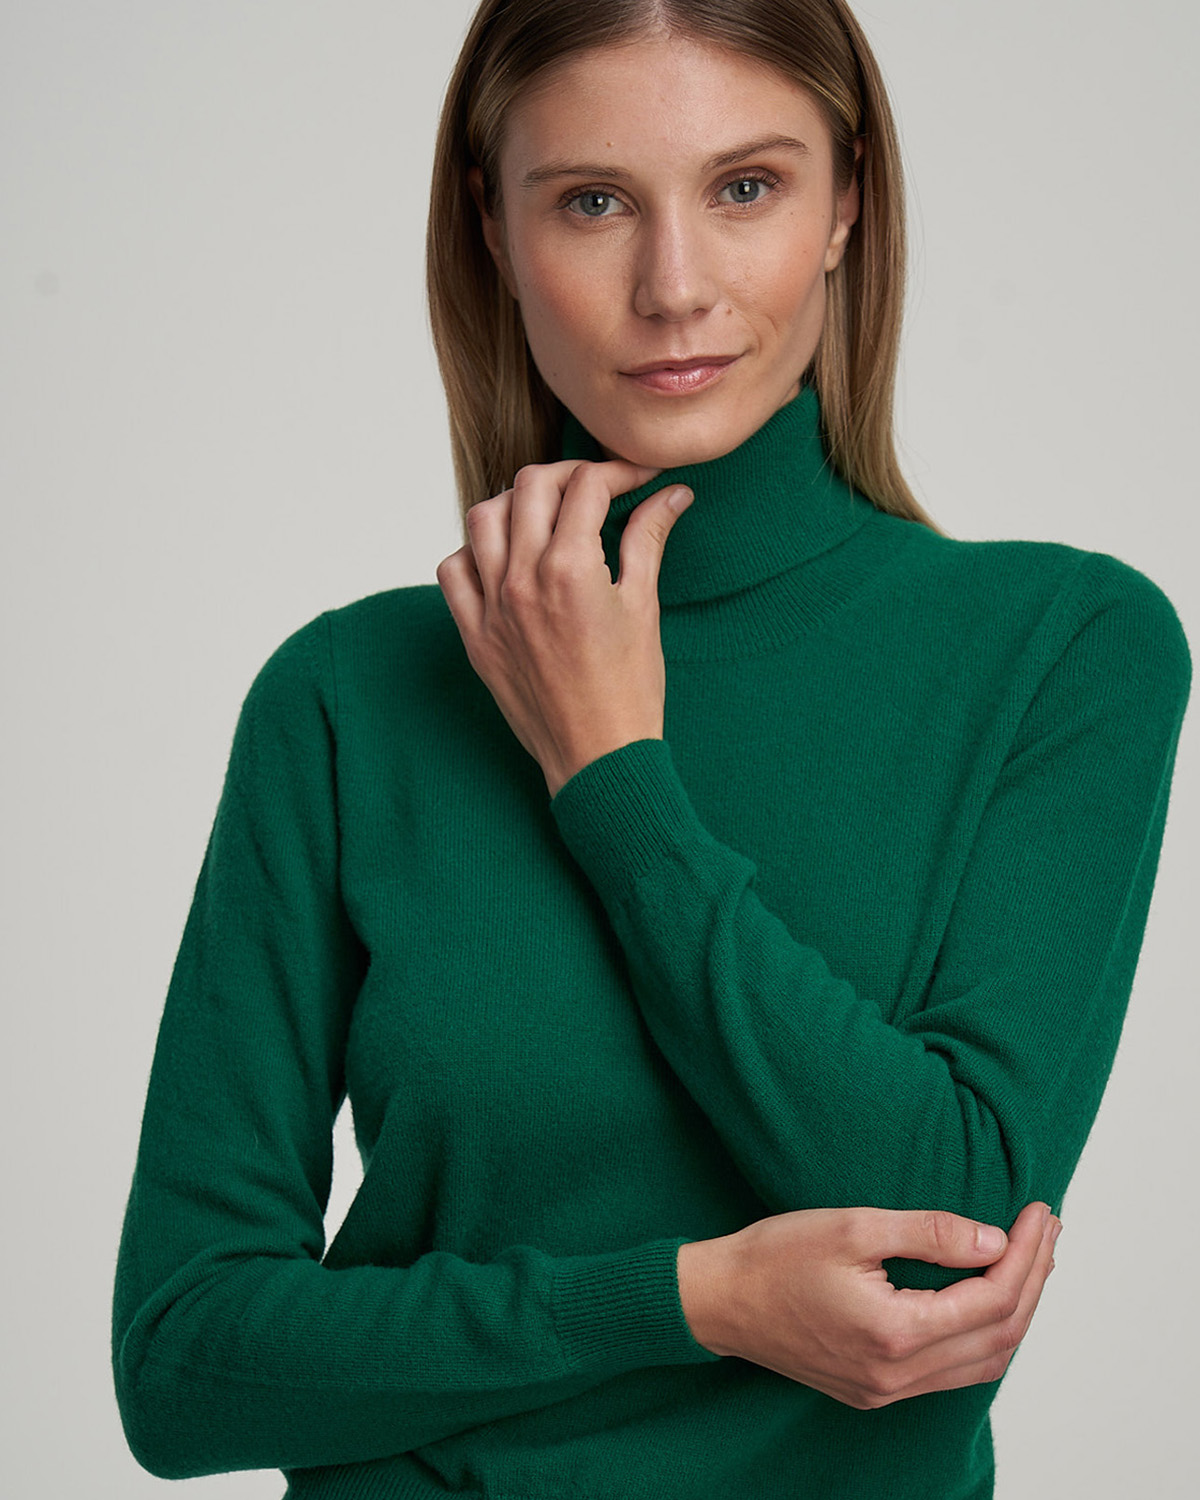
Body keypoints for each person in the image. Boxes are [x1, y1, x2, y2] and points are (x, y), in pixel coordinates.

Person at [112, 1, 1189, 1496]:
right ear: (493, 229)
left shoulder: (1063, 650)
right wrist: (695, 1301)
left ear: (846, 203)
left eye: (745, 187)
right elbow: (184, 1364)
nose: (673, 287)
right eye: (594, 202)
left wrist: (613, 775)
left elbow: (942, 1245)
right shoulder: (348, 696)